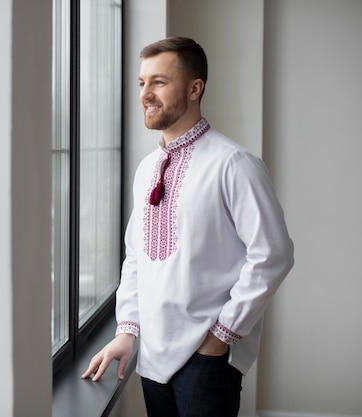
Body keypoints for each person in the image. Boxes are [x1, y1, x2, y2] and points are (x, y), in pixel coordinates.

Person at [80, 36, 294, 417]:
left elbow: (273, 255)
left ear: (195, 88)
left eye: (159, 82)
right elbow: (137, 257)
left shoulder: (235, 164)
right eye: (142, 83)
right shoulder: (147, 168)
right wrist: (127, 331)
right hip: (152, 355)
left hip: (206, 358)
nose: (146, 93)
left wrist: (221, 336)